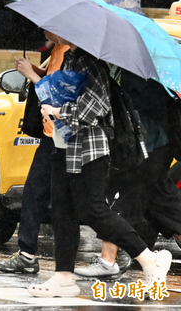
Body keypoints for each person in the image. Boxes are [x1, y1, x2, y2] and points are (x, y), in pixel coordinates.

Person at [28, 36, 172, 298]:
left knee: (93, 210)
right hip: (64, 145)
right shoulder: (71, 57)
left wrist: (58, 112)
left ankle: (149, 259)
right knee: (63, 211)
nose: (46, 32)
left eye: (51, 29)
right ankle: (63, 277)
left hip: (89, 150)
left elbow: (95, 106)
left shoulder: (89, 62)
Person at [75, 72, 181, 279]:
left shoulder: (141, 73)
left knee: (120, 191)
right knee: (163, 204)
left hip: (148, 144)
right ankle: (109, 260)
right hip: (158, 145)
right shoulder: (151, 69)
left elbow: (142, 104)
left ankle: (108, 260)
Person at [0, 32, 69, 274]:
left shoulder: (71, 53)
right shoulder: (58, 50)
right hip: (51, 136)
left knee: (75, 203)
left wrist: (31, 75)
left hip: (64, 137)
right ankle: (27, 255)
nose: (44, 30)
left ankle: (135, 253)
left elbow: (58, 95)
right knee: (36, 193)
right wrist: (38, 70)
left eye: (48, 27)